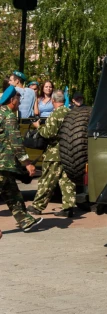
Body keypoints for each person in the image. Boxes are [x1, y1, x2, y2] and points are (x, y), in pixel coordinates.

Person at [27, 90, 77, 218]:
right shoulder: (70, 113)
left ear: (53, 101)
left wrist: (38, 126)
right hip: (68, 152)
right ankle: (68, 207)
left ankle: (37, 206)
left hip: (54, 153)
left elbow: (48, 133)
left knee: (47, 180)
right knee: (66, 180)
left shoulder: (55, 114)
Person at [0, 86, 43, 232]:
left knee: (12, 193)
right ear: (12, 100)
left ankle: (25, 221)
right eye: (18, 98)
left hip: (4, 165)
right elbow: (15, 142)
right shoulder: (9, 116)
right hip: (3, 163)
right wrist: (27, 163)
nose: (19, 102)